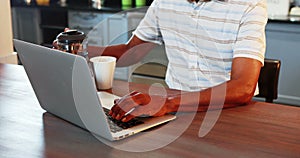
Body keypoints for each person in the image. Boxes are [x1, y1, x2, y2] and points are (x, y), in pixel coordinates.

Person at [60, 0, 268, 122]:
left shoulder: (250, 6)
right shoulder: (163, 3)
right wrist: (79, 50)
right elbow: (131, 52)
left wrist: (168, 102)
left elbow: (243, 87)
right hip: (175, 110)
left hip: (229, 112)